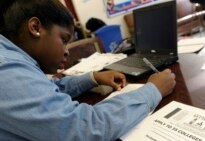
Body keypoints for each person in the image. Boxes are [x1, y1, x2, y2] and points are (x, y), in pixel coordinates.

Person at [0, 0, 176, 141]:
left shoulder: (12, 59)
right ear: (35, 27)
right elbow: (85, 129)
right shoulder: (6, 69)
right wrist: (153, 90)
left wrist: (93, 77)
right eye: (64, 39)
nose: (67, 50)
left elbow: (48, 88)